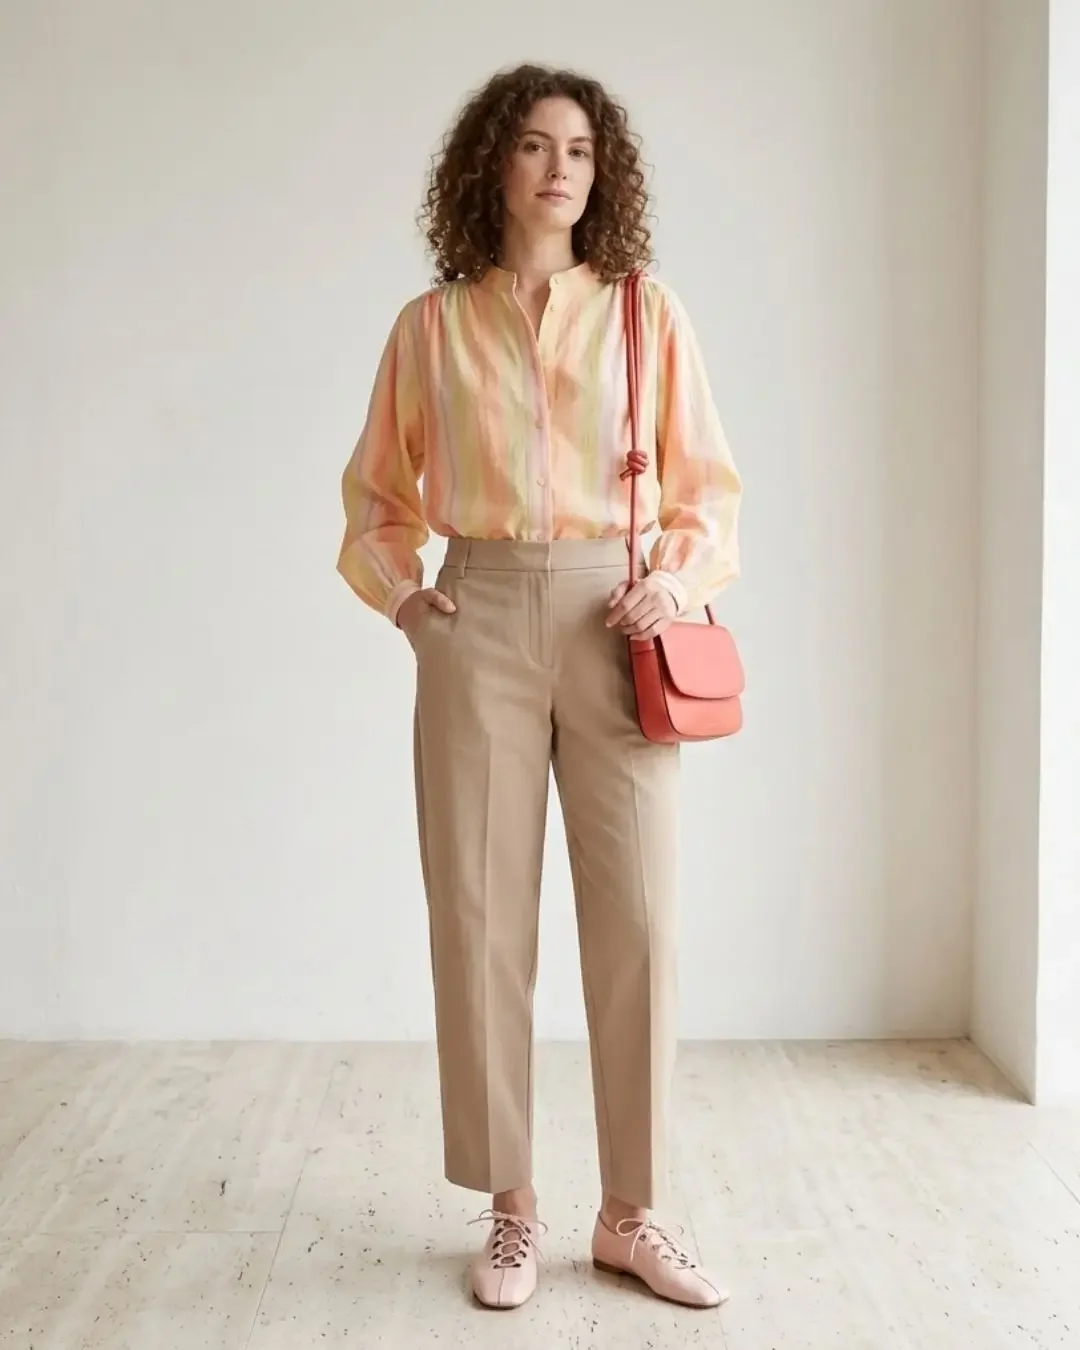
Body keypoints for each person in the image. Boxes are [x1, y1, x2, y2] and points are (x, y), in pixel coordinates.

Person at [336, 62, 741, 1311]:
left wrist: (671, 584)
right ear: (491, 169)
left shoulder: (643, 313)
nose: (558, 167)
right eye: (532, 146)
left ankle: (633, 1214)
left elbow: (708, 494)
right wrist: (409, 600)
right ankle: (512, 1208)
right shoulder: (432, 326)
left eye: (578, 148)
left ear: (598, 172)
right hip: (482, 609)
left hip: (617, 618)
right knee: (480, 917)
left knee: (642, 921)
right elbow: (374, 502)